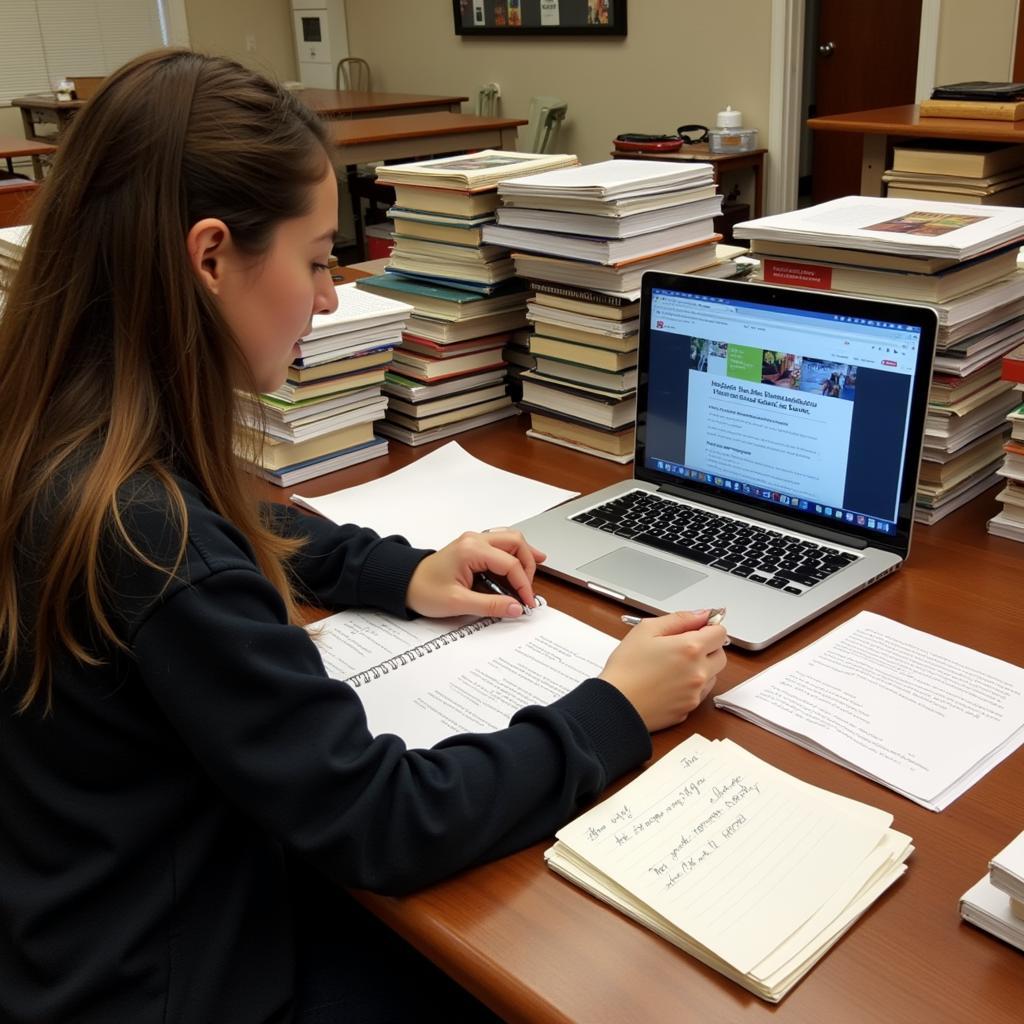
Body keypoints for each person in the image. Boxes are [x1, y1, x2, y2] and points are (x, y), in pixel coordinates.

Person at [0, 51, 727, 1023]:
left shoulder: (58, 434)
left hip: (71, 927)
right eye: (313, 258)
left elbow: (239, 514)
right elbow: (384, 818)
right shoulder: (156, 546)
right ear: (210, 256)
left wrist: (402, 572)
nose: (332, 294)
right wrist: (615, 707)